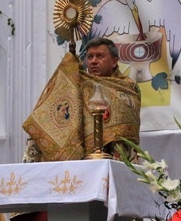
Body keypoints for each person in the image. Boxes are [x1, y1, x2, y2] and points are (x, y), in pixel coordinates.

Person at [16, 37, 141, 221]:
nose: (93, 61)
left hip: (109, 157)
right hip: (78, 158)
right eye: (89, 57)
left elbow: (124, 120)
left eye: (100, 56)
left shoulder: (128, 87)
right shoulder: (79, 81)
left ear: (114, 61)